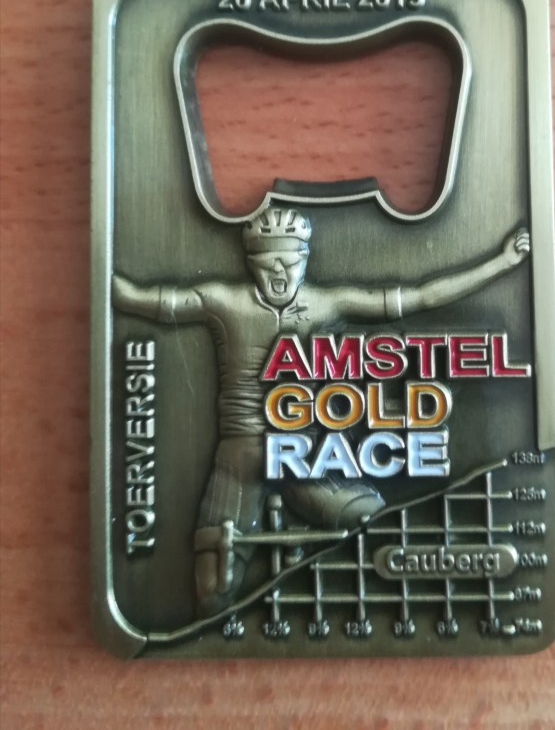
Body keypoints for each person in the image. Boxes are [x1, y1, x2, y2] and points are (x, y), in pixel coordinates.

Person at [113, 206, 530, 616]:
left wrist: (502, 263)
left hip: (307, 457)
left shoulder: (325, 304)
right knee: (210, 592)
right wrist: (102, 274)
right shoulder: (223, 300)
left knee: (375, 521)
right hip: (241, 459)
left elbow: (421, 296)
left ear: (305, 259)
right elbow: (135, 298)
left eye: (289, 262)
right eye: (267, 263)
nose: (279, 273)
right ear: (250, 262)